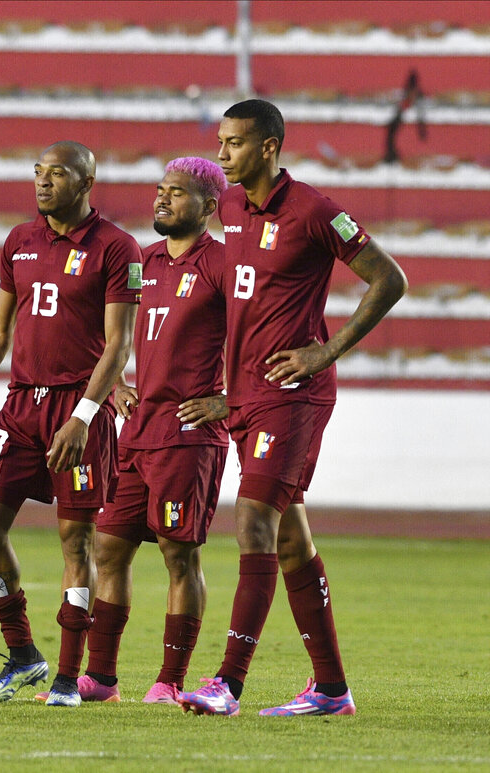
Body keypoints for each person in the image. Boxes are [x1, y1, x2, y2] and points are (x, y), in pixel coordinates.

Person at [178, 99, 407, 717]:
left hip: (295, 393)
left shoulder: (314, 210)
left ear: (270, 147)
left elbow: (389, 278)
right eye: (221, 142)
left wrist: (324, 351)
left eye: (234, 143)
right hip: (248, 395)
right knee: (290, 541)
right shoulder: (227, 208)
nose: (222, 153)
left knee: (252, 517)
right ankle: (331, 688)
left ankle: (228, 682)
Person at [0, 141, 141, 707]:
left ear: (86, 183)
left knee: (76, 542)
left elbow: (118, 345)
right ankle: (24, 654)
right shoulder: (19, 241)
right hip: (21, 404)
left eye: (58, 174)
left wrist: (85, 415)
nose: (44, 182)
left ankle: (67, 679)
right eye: (38, 172)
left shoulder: (117, 248)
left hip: (79, 408)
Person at [62, 157, 230, 706]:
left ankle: (170, 680)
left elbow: (259, 341)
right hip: (133, 432)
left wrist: (228, 400)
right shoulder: (140, 261)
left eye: (176, 194)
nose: (161, 200)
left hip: (187, 437)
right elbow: (106, 335)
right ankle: (102, 678)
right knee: (109, 549)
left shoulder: (225, 265)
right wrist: (113, 387)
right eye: (160, 191)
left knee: (179, 556)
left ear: (208, 207)